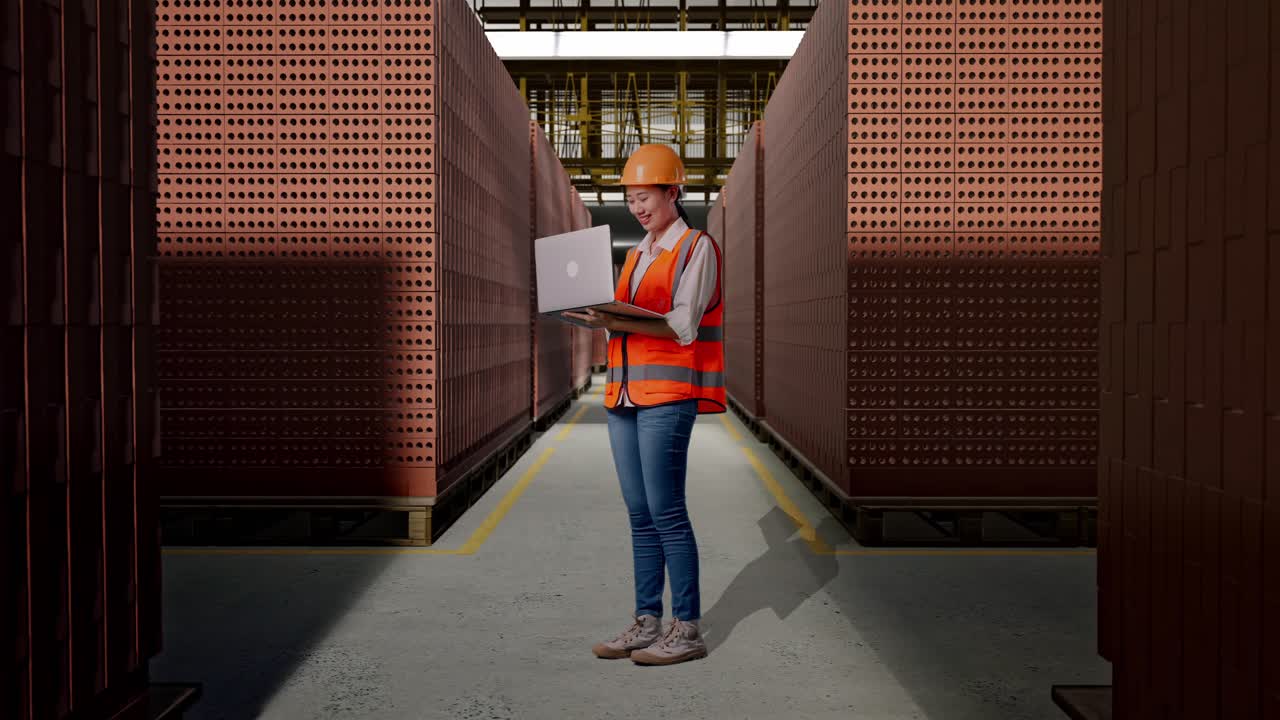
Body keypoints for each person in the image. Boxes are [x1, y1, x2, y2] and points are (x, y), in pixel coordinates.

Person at [561, 144, 726, 666]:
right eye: (631, 199)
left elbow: (682, 324)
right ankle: (646, 621)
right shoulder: (636, 254)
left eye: (644, 197)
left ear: (672, 192)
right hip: (624, 395)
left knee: (667, 512)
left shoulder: (697, 247)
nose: (637, 208)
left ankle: (688, 628)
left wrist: (613, 320)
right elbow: (627, 318)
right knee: (639, 514)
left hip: (666, 396)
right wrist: (595, 317)